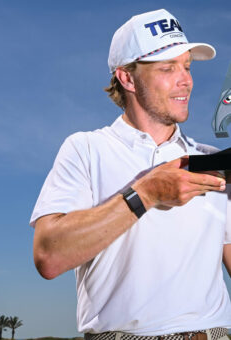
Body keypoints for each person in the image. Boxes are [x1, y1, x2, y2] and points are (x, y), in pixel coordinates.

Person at [29, 8, 231, 340]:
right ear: (127, 77)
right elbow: (49, 256)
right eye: (168, 68)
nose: (186, 80)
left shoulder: (213, 162)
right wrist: (147, 193)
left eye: (187, 67)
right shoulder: (86, 149)